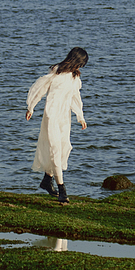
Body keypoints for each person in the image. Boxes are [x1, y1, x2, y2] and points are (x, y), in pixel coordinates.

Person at [25, 47, 88, 204]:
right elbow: (41, 89)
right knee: (54, 150)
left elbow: (75, 96)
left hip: (64, 117)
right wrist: (31, 106)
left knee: (64, 149)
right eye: (80, 64)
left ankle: (47, 179)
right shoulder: (56, 71)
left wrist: (80, 116)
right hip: (52, 115)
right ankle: (62, 190)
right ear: (75, 60)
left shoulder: (75, 77)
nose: (80, 68)